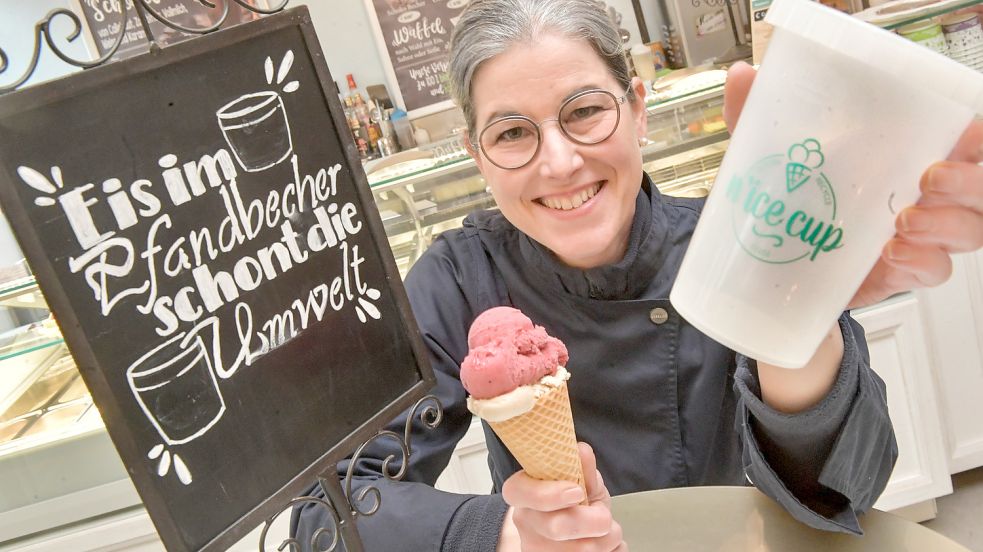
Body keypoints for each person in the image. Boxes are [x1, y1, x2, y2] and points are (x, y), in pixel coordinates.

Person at [292, 1, 983, 550]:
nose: (558, 162)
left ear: (638, 109)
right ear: (477, 156)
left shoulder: (743, 242)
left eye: (585, 111)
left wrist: (789, 325)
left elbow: (848, 488)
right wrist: (505, 536)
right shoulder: (459, 277)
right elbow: (326, 510)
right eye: (511, 134)